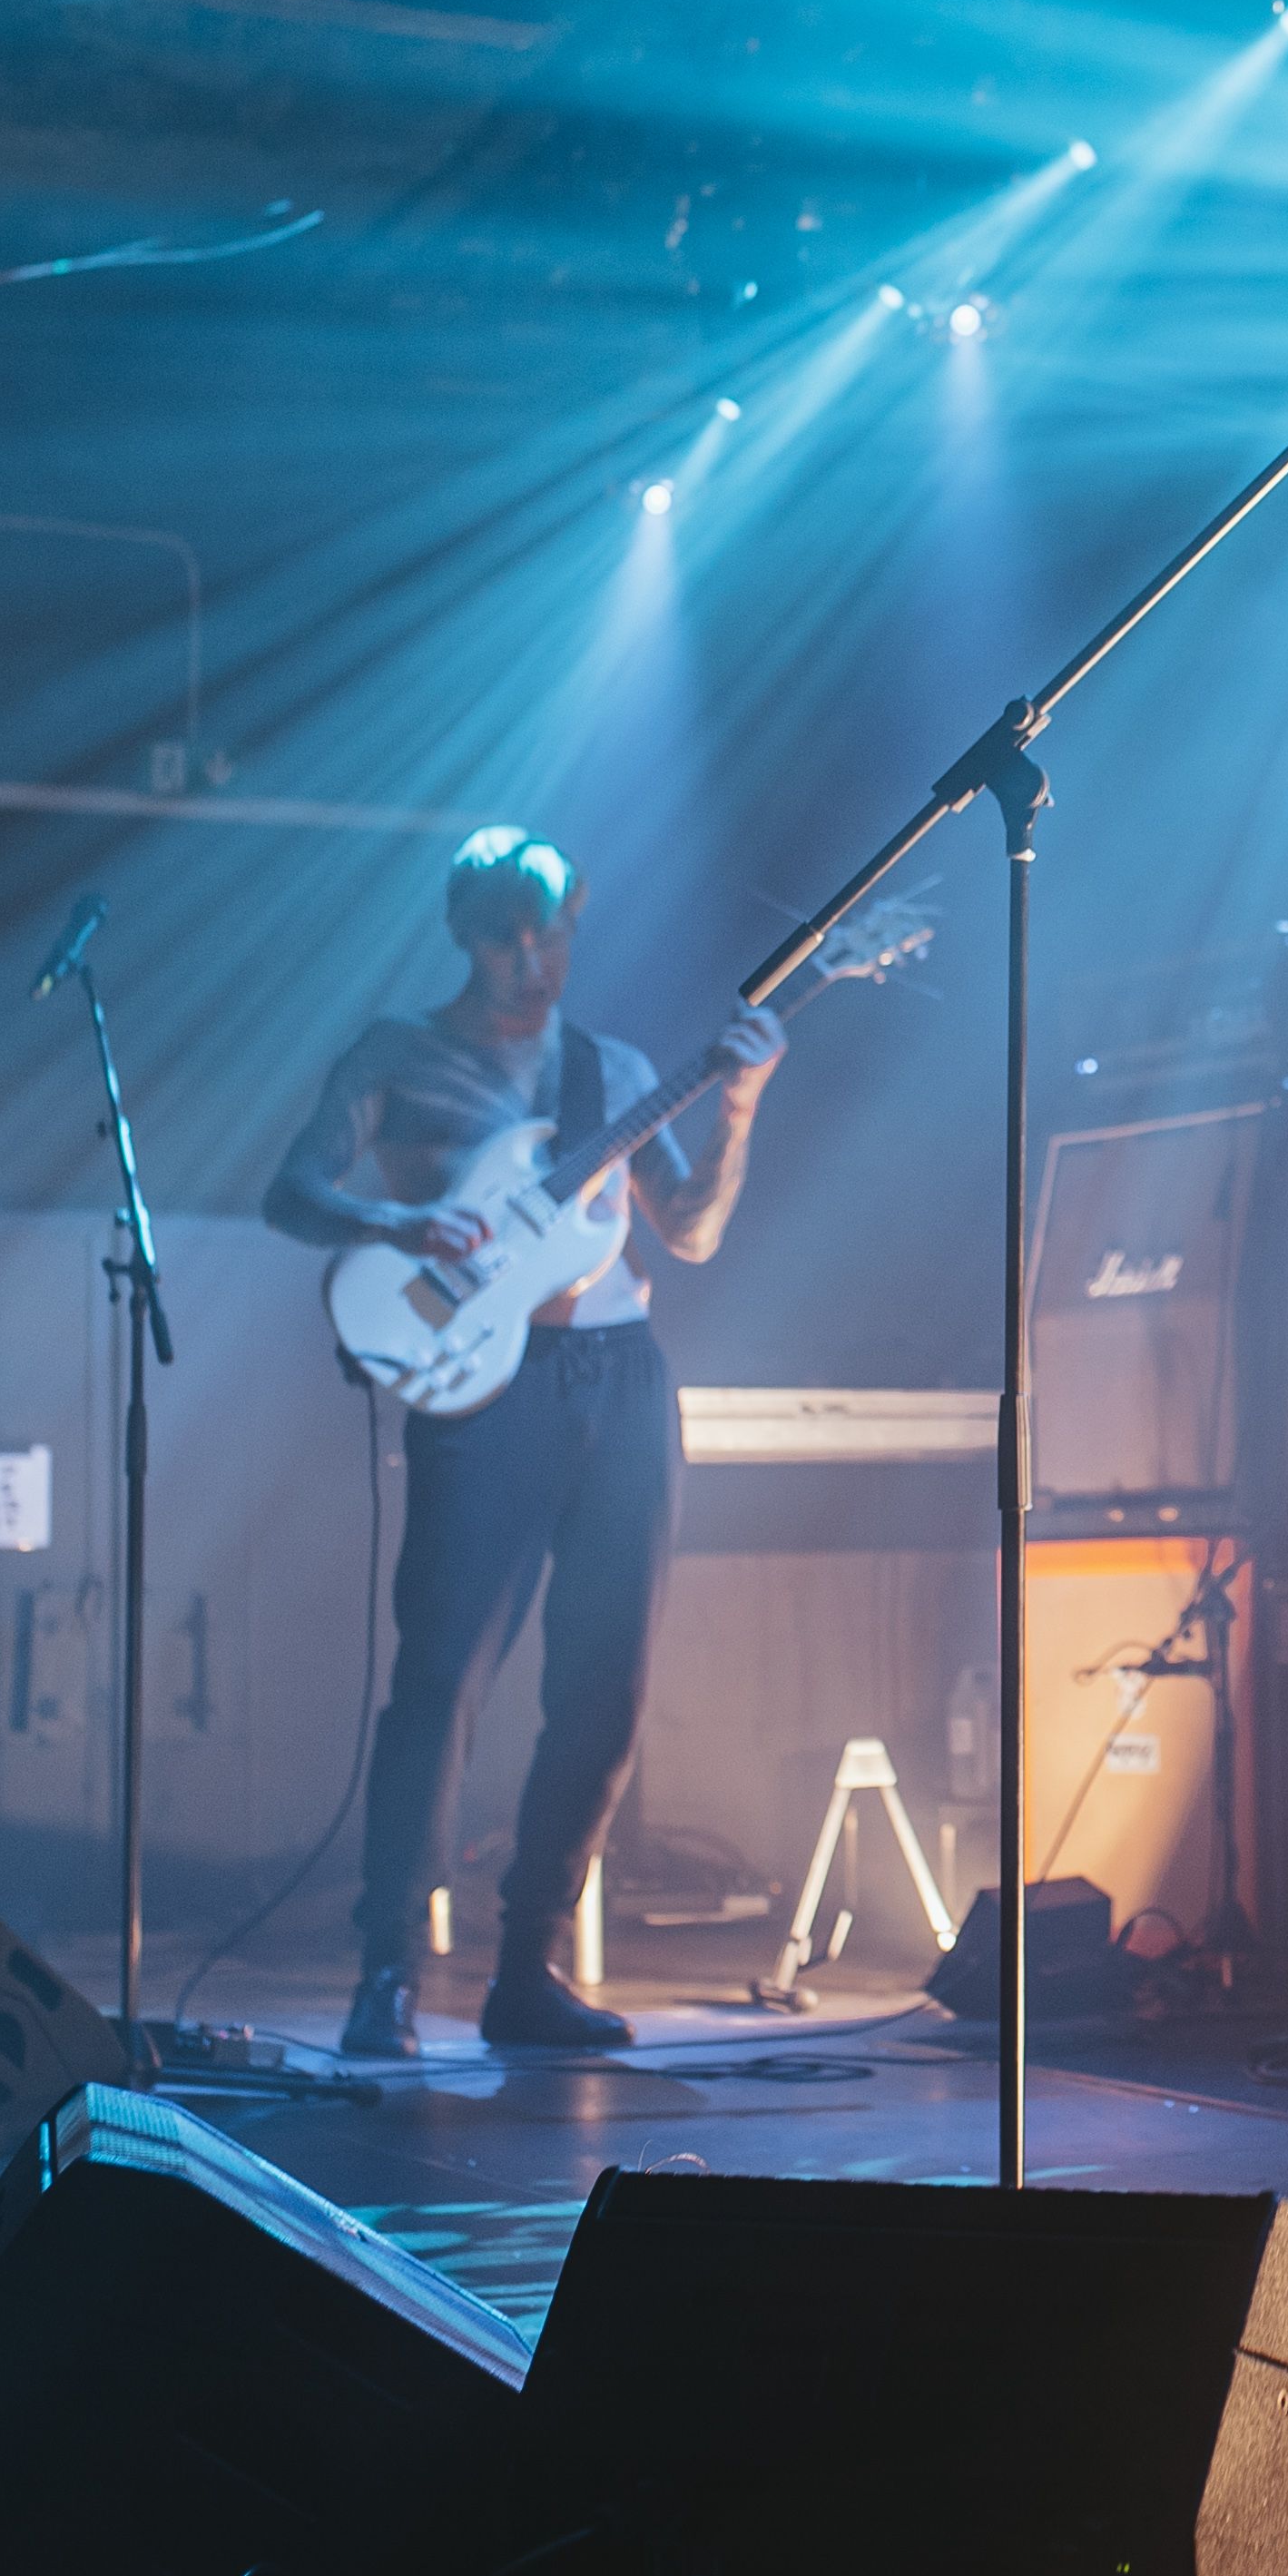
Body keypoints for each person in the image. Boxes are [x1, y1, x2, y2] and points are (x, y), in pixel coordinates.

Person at [267, 826, 784, 2056]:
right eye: (506, 936)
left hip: (623, 1374)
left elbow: (695, 1233)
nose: (530, 959)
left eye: (549, 934)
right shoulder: (396, 1055)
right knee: (442, 1681)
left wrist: (741, 1105)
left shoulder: (610, 1070)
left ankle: (529, 1969)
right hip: (483, 1388)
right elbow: (293, 1192)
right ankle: (386, 1972)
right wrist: (398, 1222)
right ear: (464, 932)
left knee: (607, 1687)